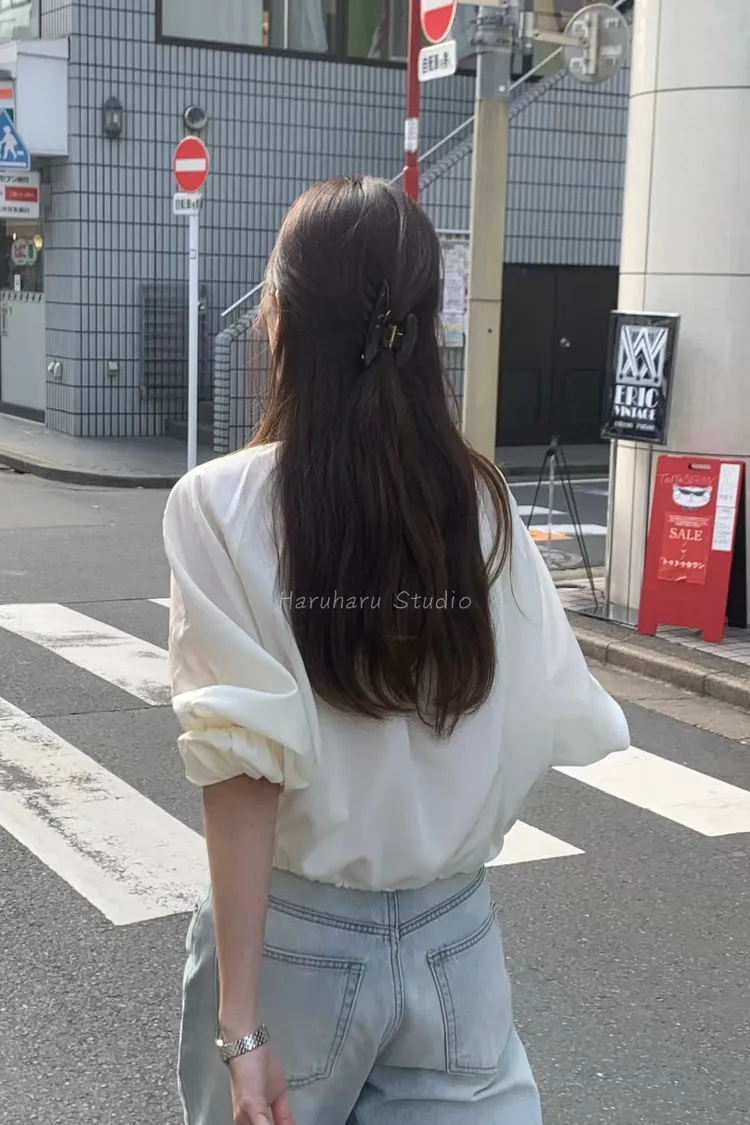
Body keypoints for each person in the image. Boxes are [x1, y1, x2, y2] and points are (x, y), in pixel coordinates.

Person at [164, 176, 630, 1125]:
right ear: (426, 335)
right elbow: (542, 716)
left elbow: (242, 770)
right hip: (454, 935)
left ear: (281, 323)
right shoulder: (482, 504)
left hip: (294, 941)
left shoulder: (220, 506)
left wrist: (242, 1026)